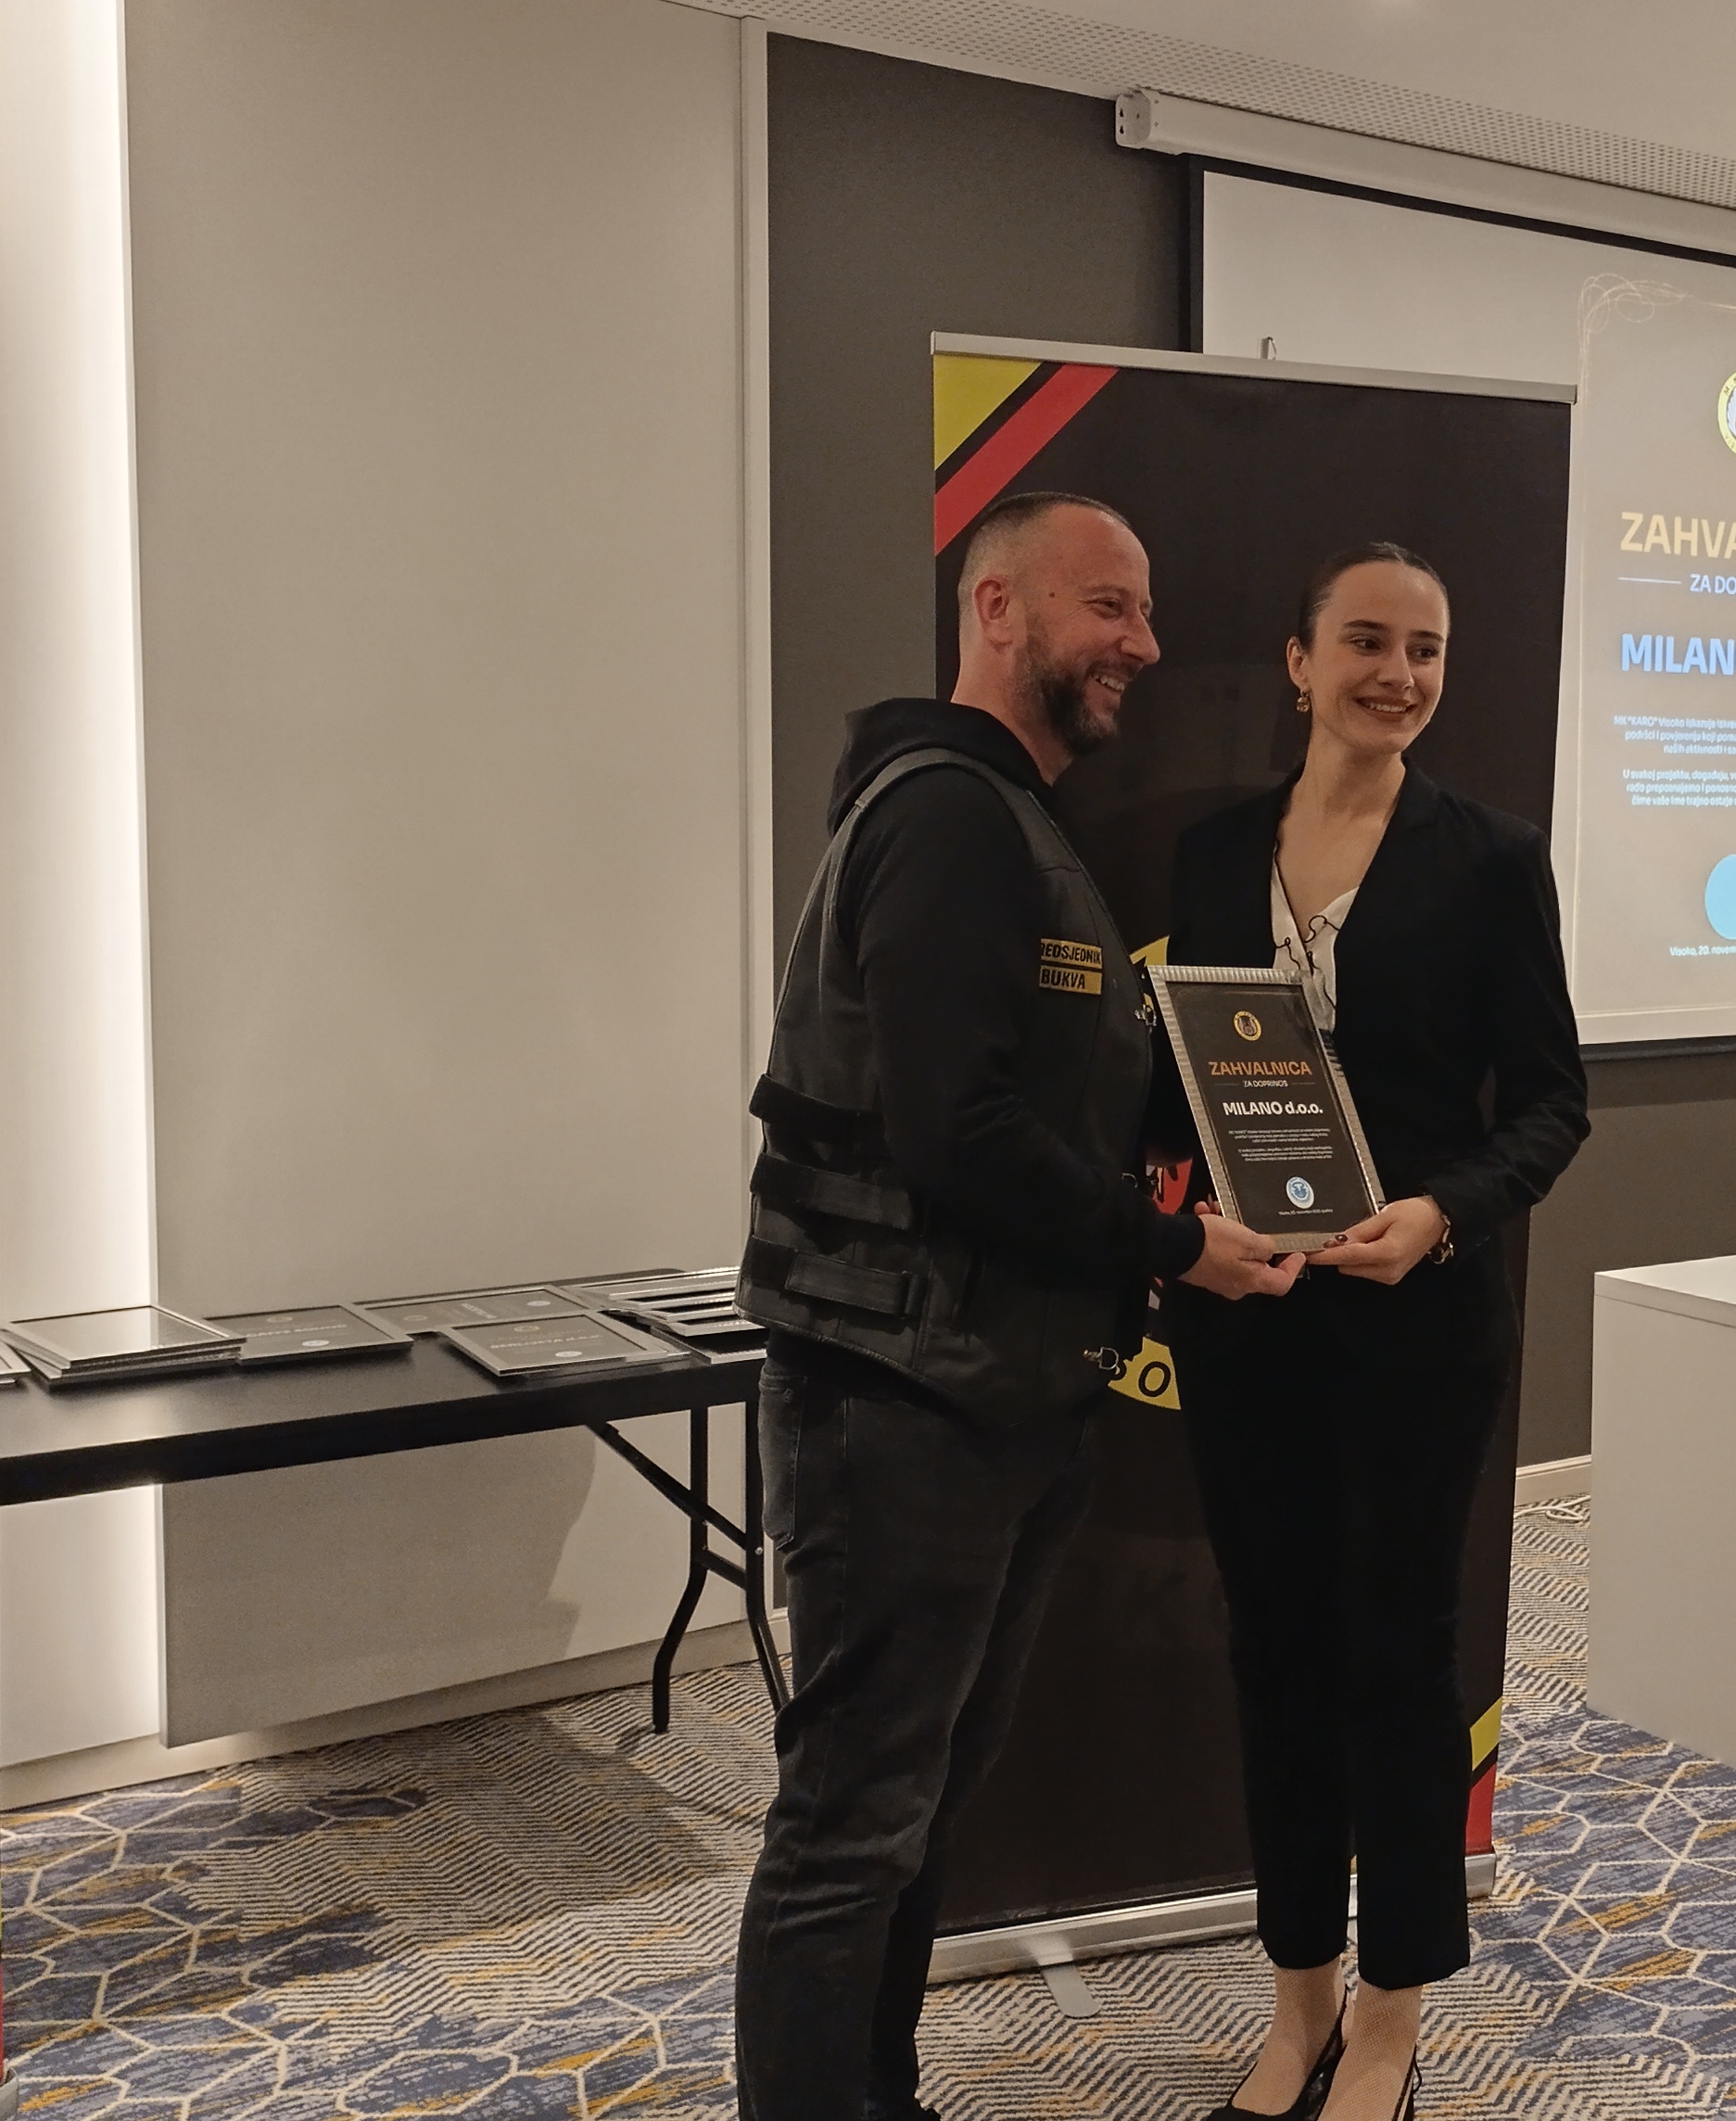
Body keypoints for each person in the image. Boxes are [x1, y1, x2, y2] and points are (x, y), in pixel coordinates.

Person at [730, 491, 1304, 2121]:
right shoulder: (948, 820)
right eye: (1107, 605)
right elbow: (954, 1131)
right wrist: (1174, 1245)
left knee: (910, 1811)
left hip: (992, 1387)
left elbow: (1043, 1097)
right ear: (997, 610)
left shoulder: (1014, 827)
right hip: (899, 1400)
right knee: (852, 1822)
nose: (1144, 642)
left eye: (1146, 609)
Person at [1154, 545, 1590, 2121]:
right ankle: (1298, 2002)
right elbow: (1175, 1087)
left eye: (1426, 650)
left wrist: (1440, 1212)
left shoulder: (1490, 860)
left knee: (1400, 1663)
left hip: (1418, 1328)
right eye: (1365, 642)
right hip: (1248, 1325)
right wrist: (1182, 1237)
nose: (1397, 674)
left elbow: (1551, 1103)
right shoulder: (1211, 856)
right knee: (1275, 1654)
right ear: (1298, 661)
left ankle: (1393, 2013)